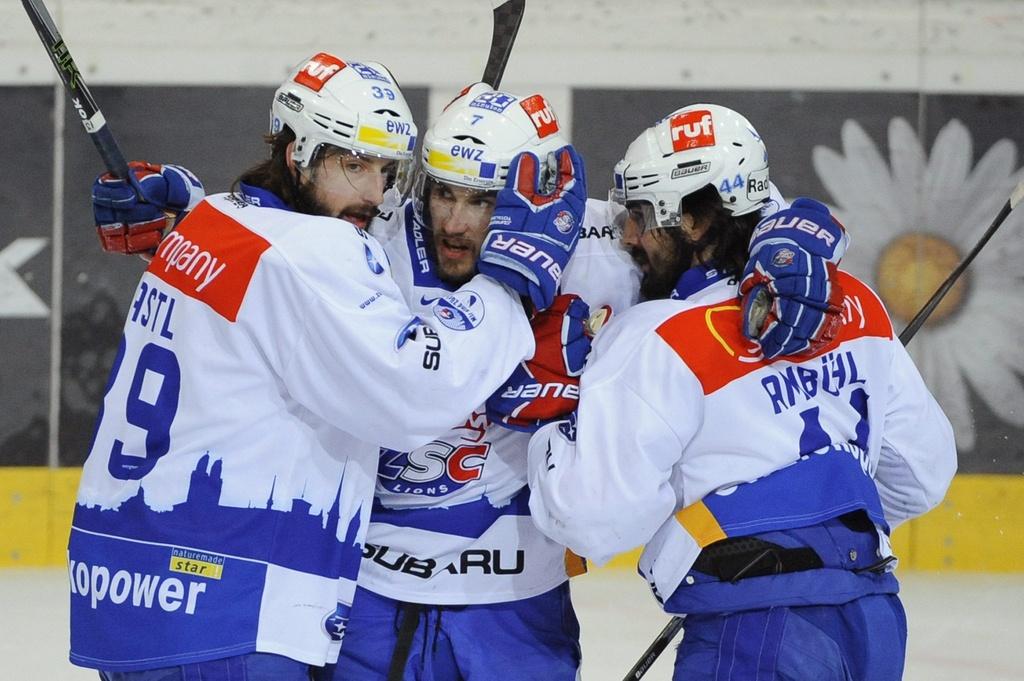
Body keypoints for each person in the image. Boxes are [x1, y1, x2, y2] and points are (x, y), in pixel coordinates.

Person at [87, 83, 842, 679]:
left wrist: (796, 233)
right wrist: (190, 207)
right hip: (366, 601)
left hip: (513, 608)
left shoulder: (596, 243)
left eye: (482, 201)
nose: (453, 220)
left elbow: (732, 208)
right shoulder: (368, 233)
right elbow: (275, 231)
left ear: (531, 200)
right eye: (443, 190)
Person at [69, 52, 587, 680]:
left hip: (130, 588)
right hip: (226, 598)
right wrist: (510, 285)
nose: (374, 193)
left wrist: (190, 205)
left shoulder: (208, 227)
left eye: (386, 169)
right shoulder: (318, 249)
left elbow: (267, 273)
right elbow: (414, 392)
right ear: (298, 153)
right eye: (353, 164)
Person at [516, 103, 957, 680]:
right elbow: (923, 474)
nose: (629, 236)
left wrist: (549, 422)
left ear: (695, 221)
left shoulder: (657, 337)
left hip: (753, 634)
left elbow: (592, 518)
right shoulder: (852, 302)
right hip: (871, 618)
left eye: (643, 215)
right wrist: (812, 546)